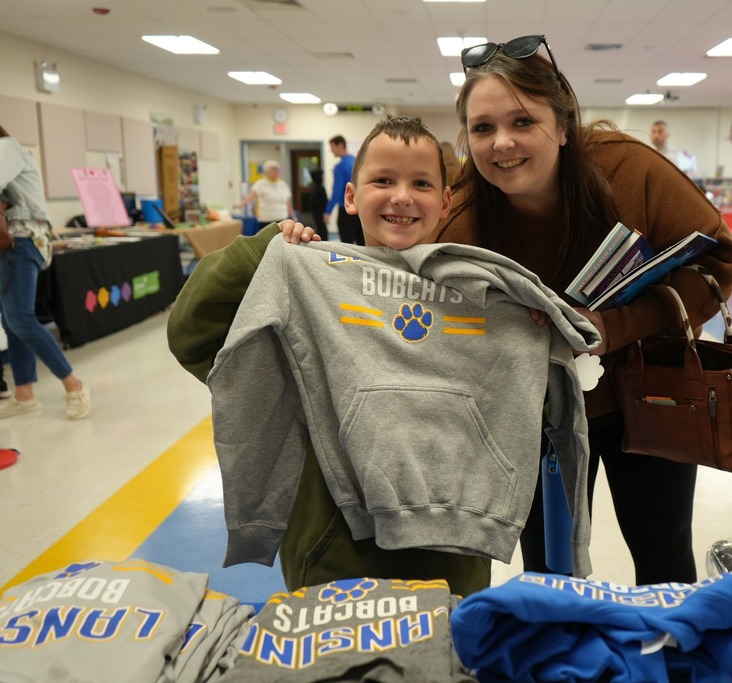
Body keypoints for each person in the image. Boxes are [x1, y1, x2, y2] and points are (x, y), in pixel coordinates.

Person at [436, 35, 732, 585]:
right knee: (552, 570)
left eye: (523, 122)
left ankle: (672, 663)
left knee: (664, 556)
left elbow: (718, 262)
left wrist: (618, 326)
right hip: (535, 418)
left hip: (648, 399)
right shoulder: (463, 221)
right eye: (482, 128)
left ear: (563, 123)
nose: (502, 143)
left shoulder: (629, 172)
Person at [168, 116, 497, 596]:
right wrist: (264, 253)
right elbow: (191, 334)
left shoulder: (478, 297)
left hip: (454, 555)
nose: (402, 196)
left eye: (421, 183)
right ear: (350, 195)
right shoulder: (307, 290)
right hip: (333, 551)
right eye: (383, 180)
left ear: (445, 201)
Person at [0, 124, 90, 420]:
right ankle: (24, 395)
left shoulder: (8, 148)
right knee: (11, 322)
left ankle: (74, 385)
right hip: (11, 242)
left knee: (21, 319)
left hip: (23, 240)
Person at [324, 135, 364, 245]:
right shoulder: (358, 162)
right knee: (362, 240)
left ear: (340, 145)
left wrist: (328, 211)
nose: (331, 150)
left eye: (332, 146)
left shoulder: (340, 166)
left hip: (347, 210)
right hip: (361, 209)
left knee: (347, 243)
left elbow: (337, 191)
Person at [234, 160, 298, 225]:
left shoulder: (283, 184)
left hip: (282, 218)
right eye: (273, 170)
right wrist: (241, 205)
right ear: (267, 172)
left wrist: (293, 217)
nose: (276, 172)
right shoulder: (261, 184)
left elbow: (288, 203)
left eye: (277, 170)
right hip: (266, 219)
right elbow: (251, 196)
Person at [307, 167, 328, 241]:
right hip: (320, 212)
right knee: (322, 229)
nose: (324, 177)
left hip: (317, 212)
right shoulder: (319, 188)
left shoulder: (315, 187)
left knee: (321, 228)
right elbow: (324, 201)